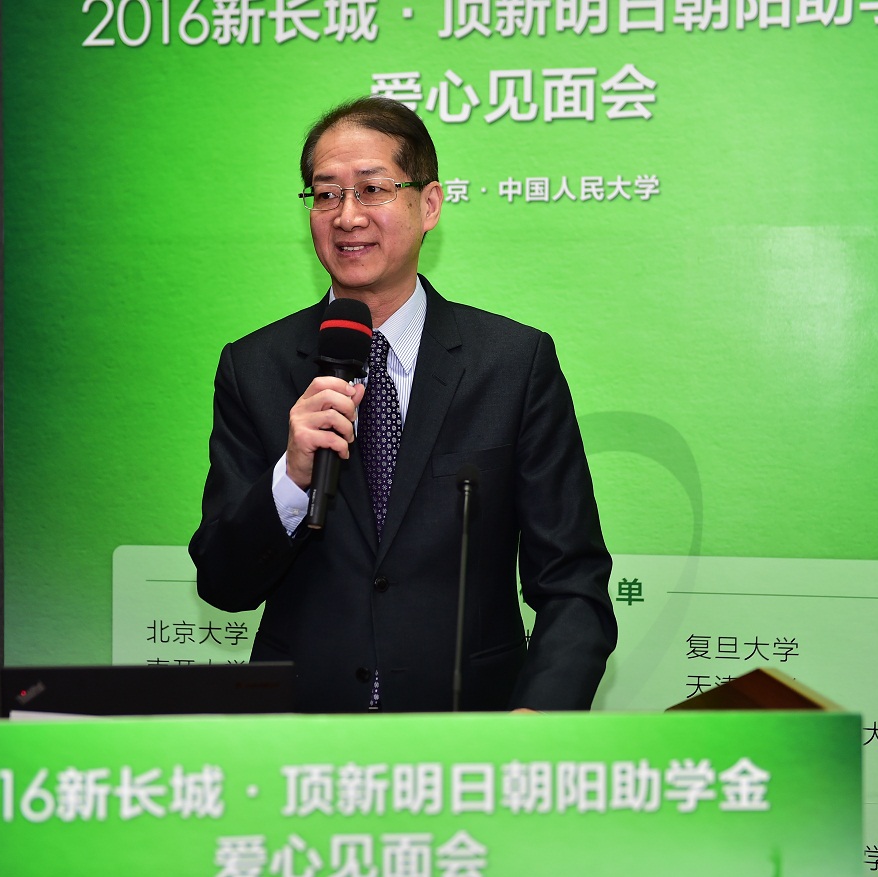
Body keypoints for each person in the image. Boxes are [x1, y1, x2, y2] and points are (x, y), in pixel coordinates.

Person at [189, 96, 616, 712]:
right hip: (303, 730)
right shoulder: (254, 366)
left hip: (471, 727)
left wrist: (539, 716)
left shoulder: (513, 363)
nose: (347, 216)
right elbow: (222, 583)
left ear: (429, 204)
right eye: (326, 194)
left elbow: (573, 580)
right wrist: (291, 478)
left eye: (372, 189)